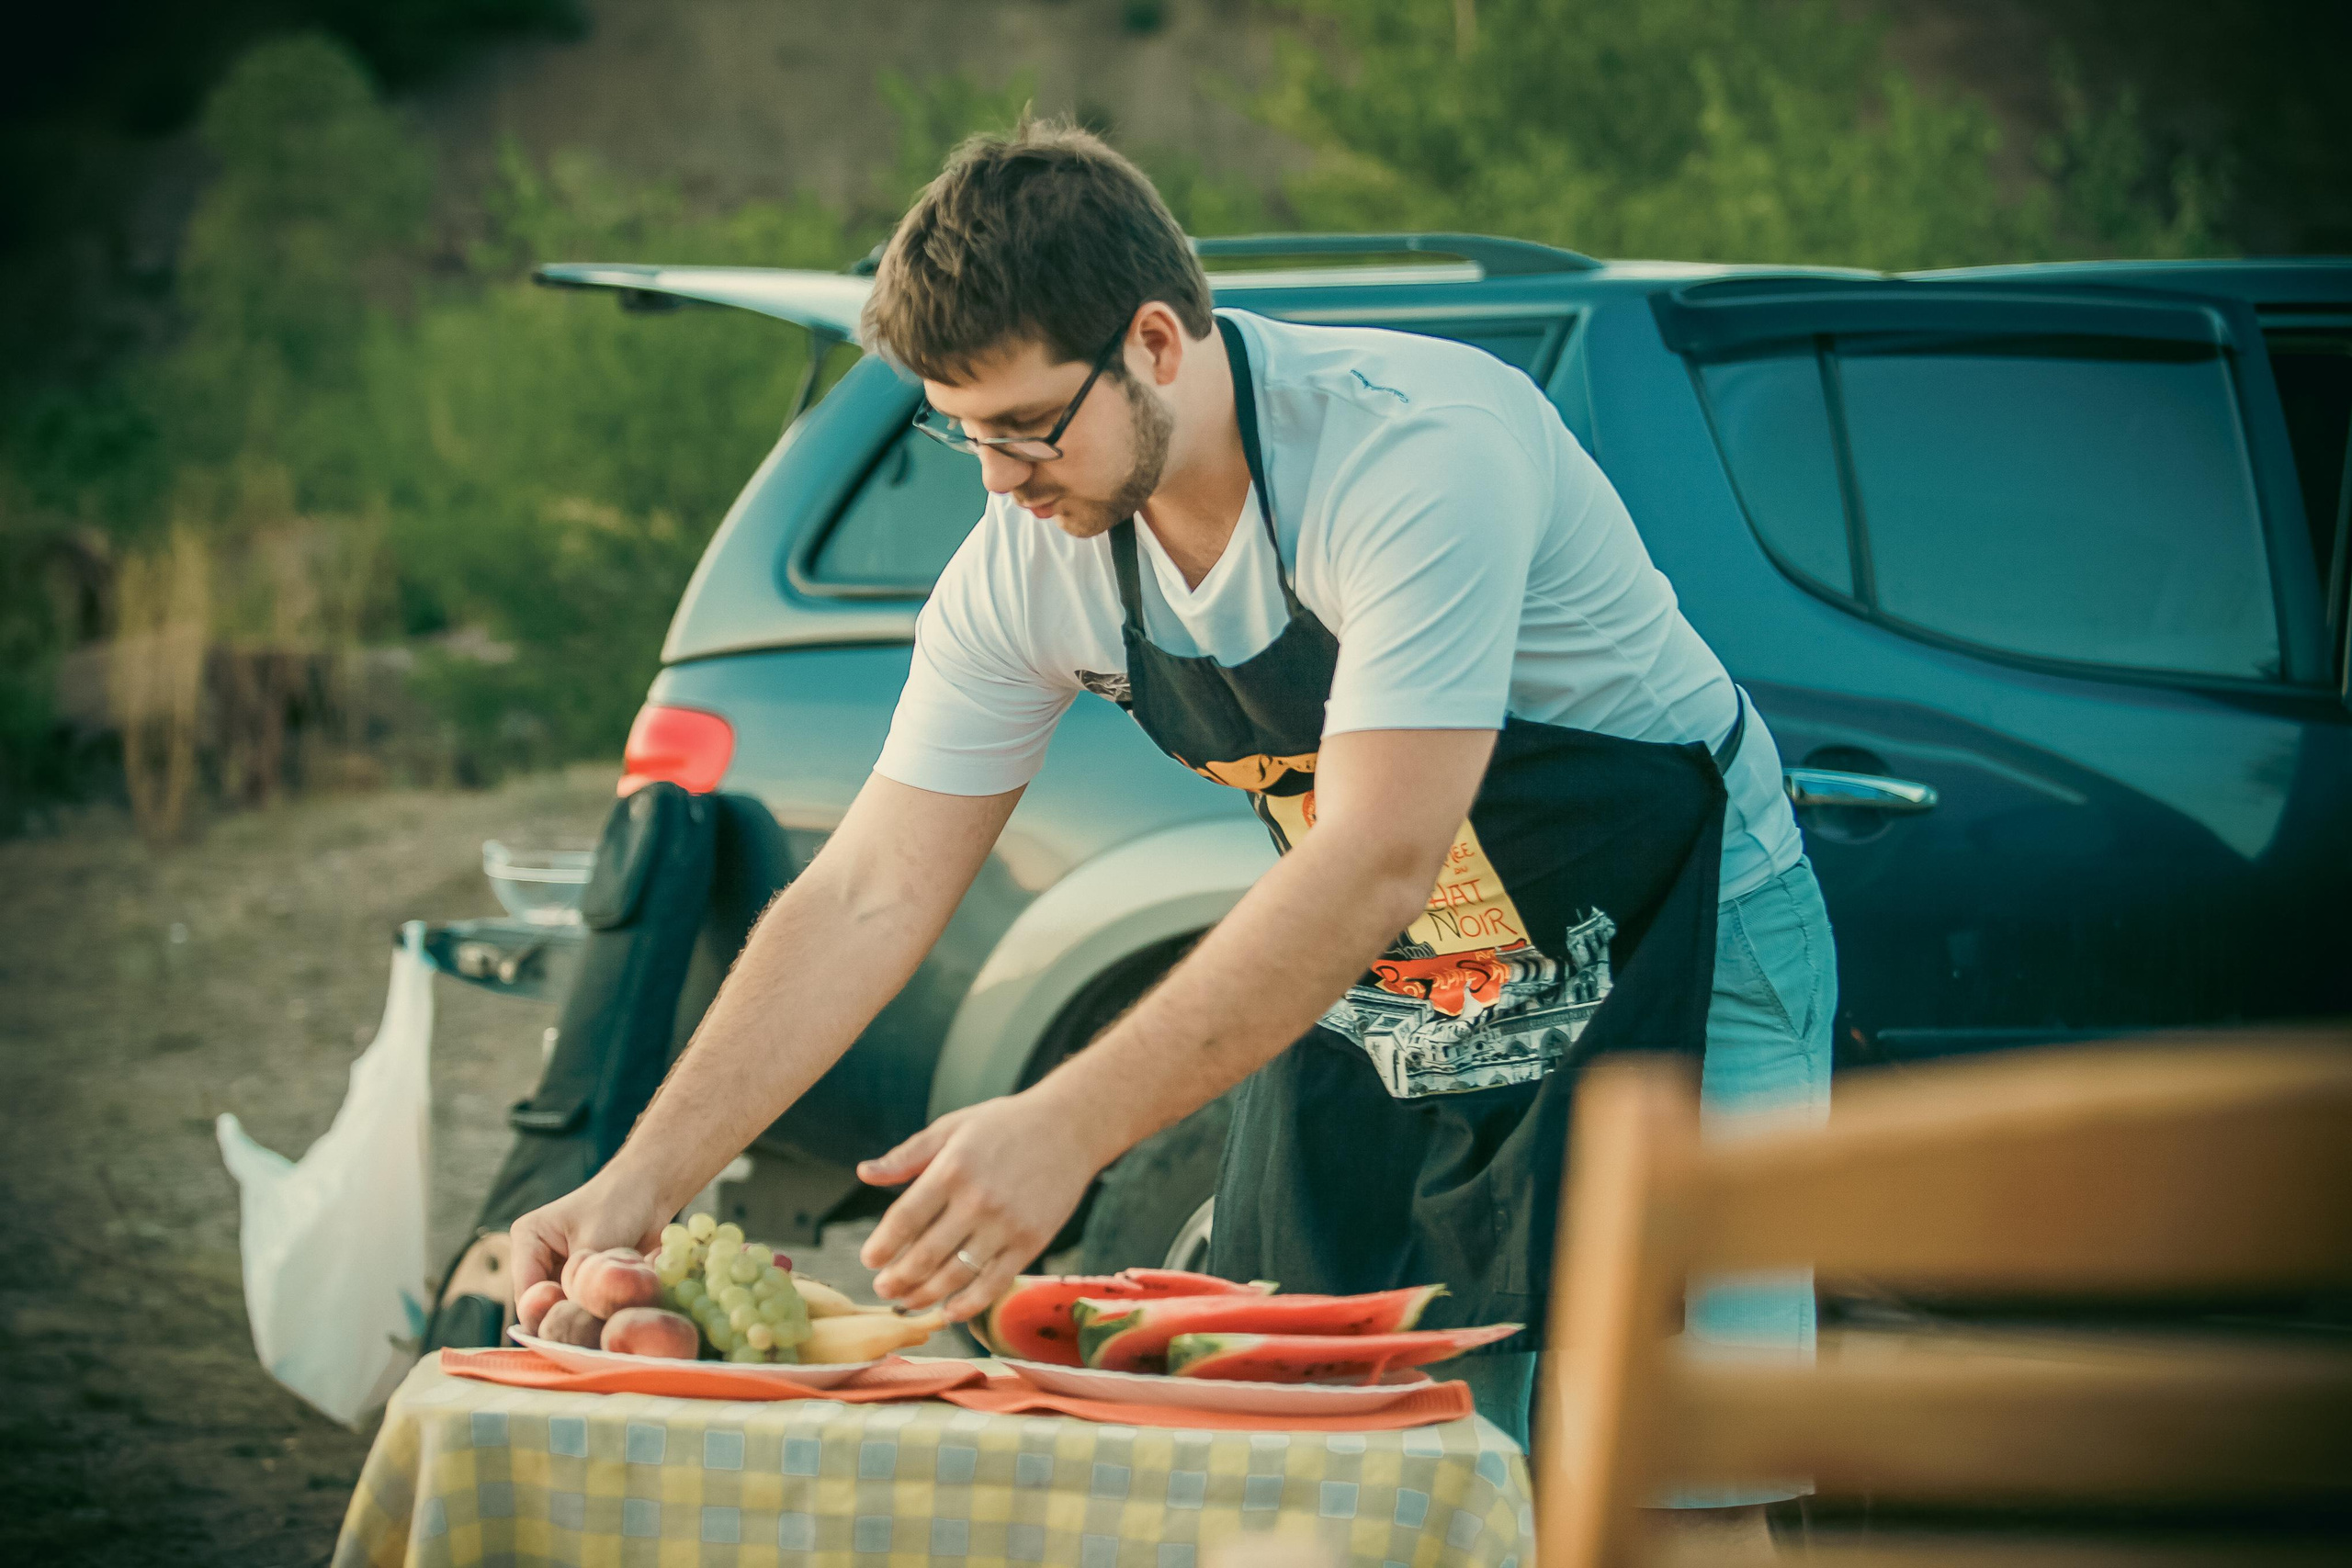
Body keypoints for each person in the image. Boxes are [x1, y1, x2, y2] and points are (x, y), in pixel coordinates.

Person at [509, 120, 1835, 1474]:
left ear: (1154, 342)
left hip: (1680, 948)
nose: (1001, 485)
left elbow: (1377, 848)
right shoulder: (1027, 556)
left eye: (1027, 428)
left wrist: (1067, 1127)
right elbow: (868, 889)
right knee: (1373, 1472)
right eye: (958, 434)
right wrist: (638, 1182)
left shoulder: (1413, 455)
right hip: (1398, 979)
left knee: (1680, 1484)